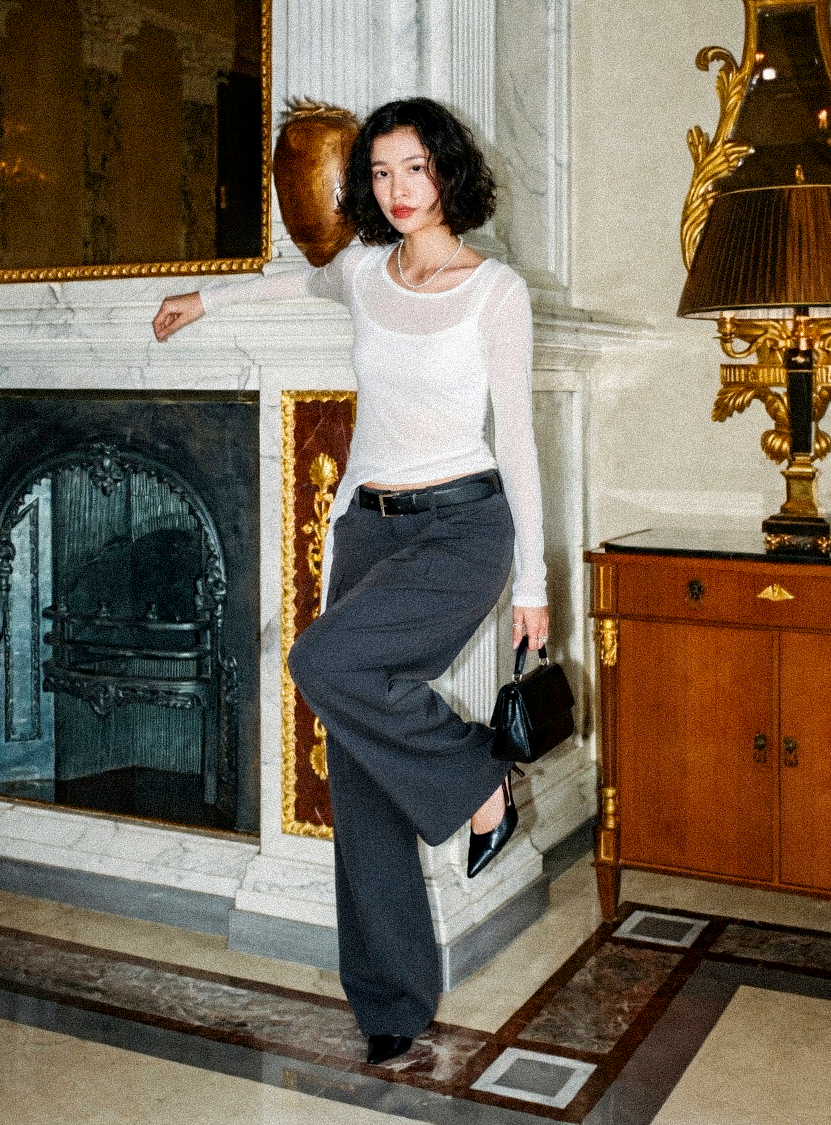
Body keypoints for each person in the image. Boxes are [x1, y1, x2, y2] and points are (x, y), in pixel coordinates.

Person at [152, 97, 549, 1067]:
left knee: (320, 663)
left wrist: (534, 582)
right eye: (379, 173)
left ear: (448, 172)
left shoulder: (495, 290)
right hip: (367, 535)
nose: (396, 189)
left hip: (463, 529)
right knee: (363, 774)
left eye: (413, 168)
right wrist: (197, 300)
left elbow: (522, 443)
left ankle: (477, 782)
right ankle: (389, 1004)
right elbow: (292, 285)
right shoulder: (364, 273)